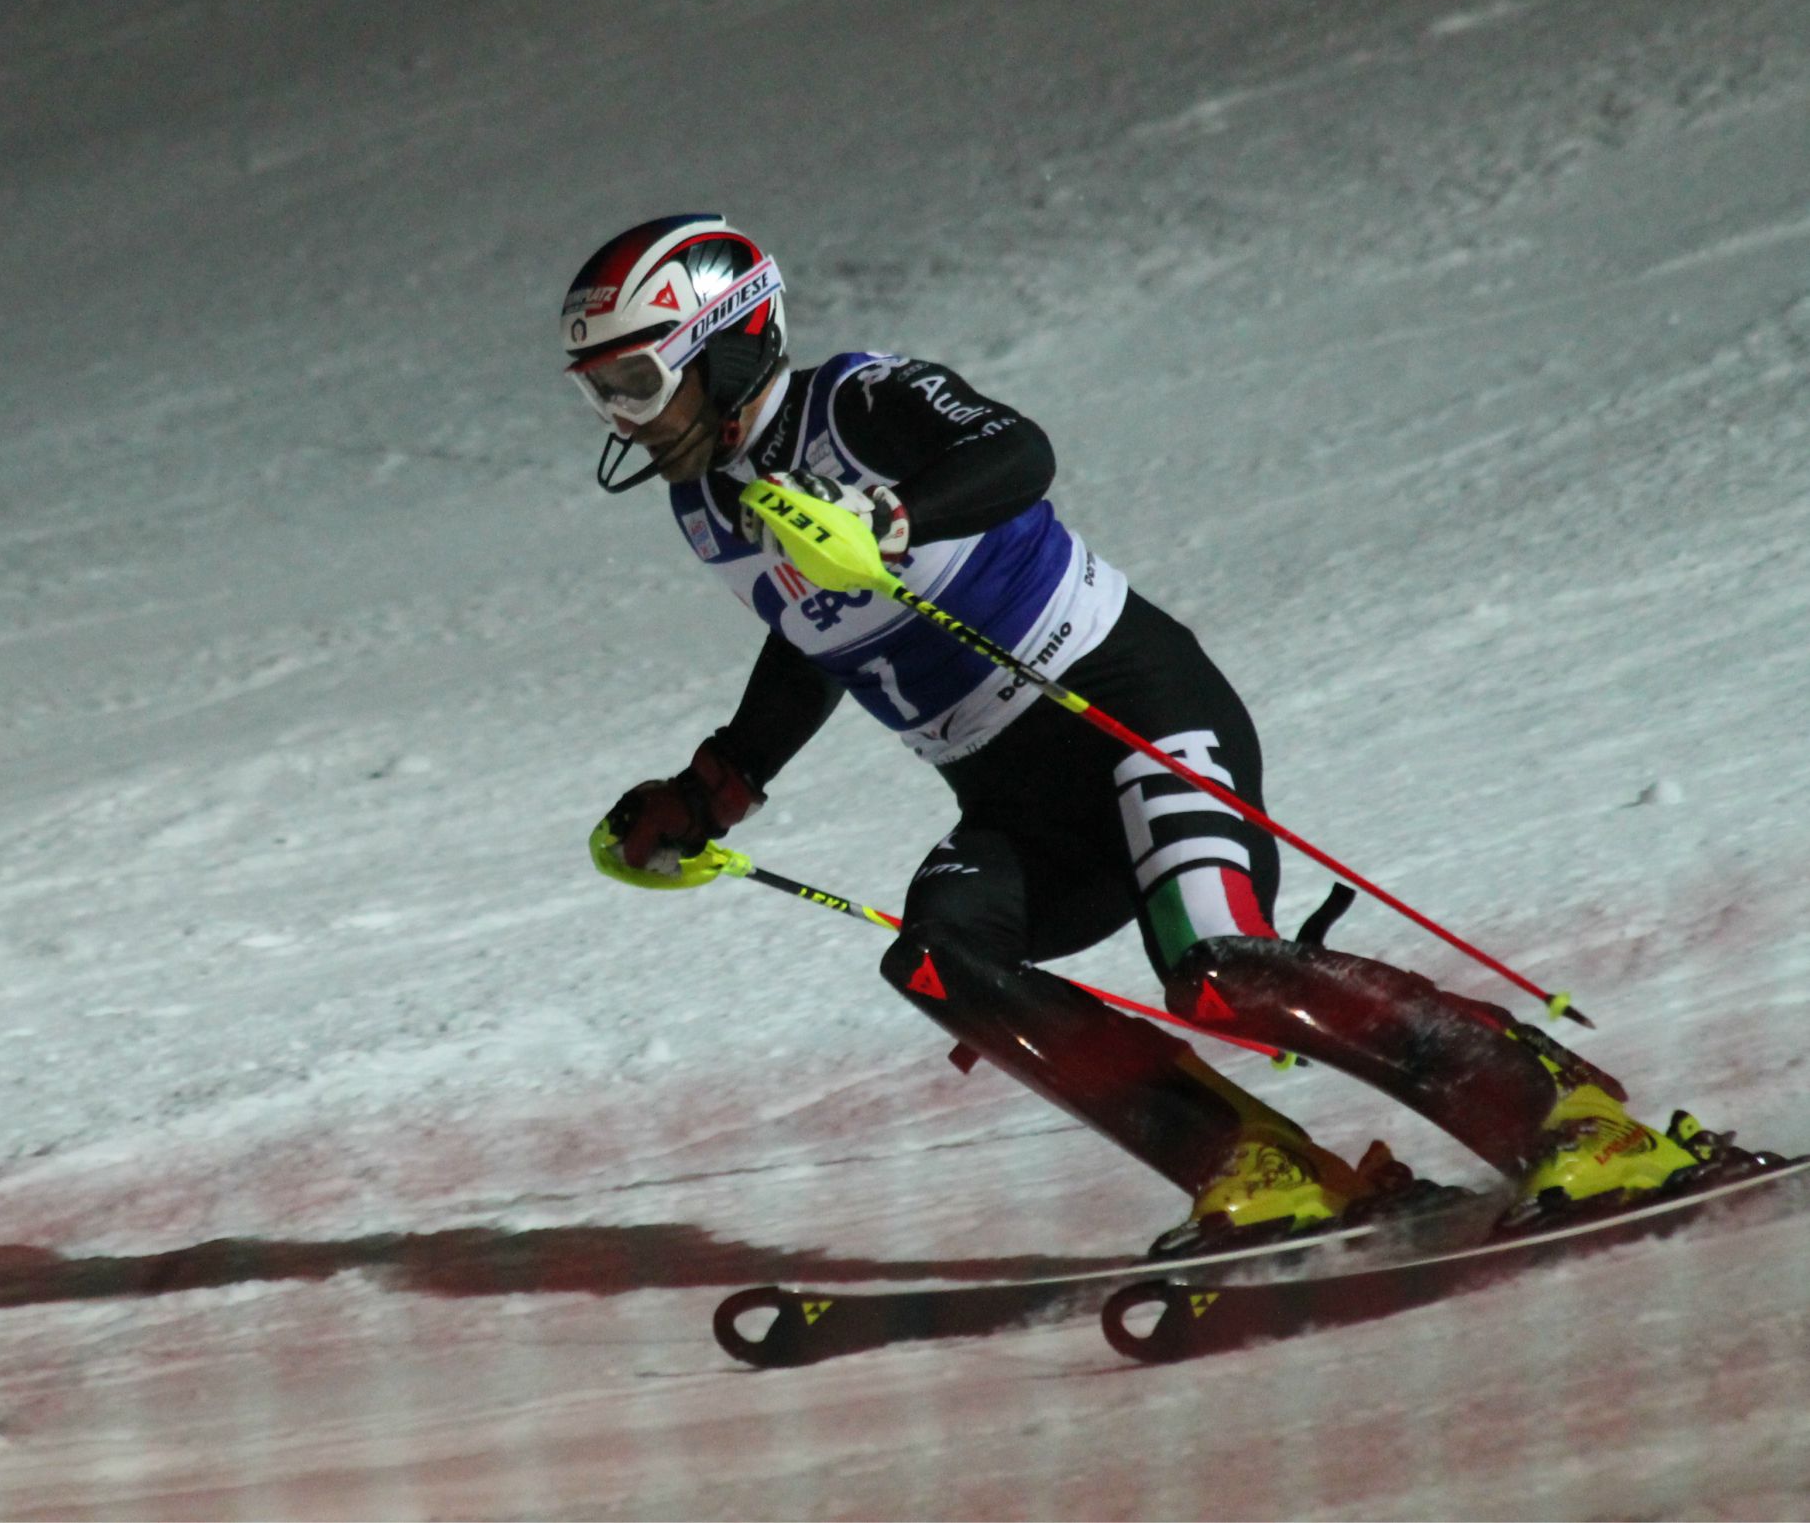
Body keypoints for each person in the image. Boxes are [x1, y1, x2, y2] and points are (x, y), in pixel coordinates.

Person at [565, 212, 1733, 1250]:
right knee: (939, 954)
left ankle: (1576, 1121)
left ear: (724, 346)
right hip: (1011, 791)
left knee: (1218, 969)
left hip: (1129, 708)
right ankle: (1262, 1169)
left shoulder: (856, 399)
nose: (621, 417)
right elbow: (814, 632)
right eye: (599, 391)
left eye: (631, 382)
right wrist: (718, 784)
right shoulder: (704, 503)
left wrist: (889, 512)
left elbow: (1018, 453)